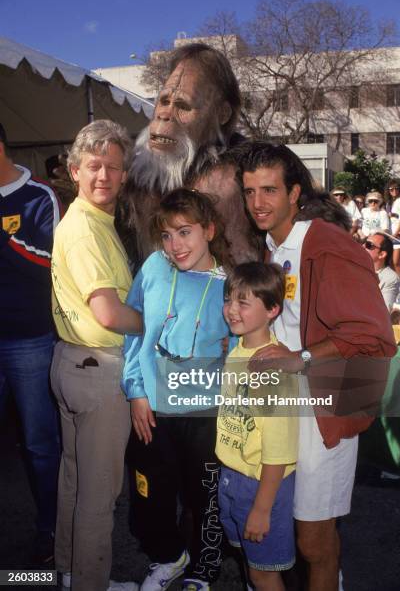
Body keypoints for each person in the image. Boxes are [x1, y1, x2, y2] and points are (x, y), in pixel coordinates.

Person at [232, 140, 396, 591]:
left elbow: (369, 331)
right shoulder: (273, 246)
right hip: (287, 408)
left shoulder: (323, 241)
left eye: (268, 190)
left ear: (294, 194)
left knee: (313, 540)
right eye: (249, 192)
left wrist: (298, 357)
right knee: (281, 526)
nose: (258, 203)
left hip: (324, 407)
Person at [122, 188, 233, 591]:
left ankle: (205, 569)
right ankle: (167, 557)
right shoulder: (153, 267)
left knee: (205, 495)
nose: (175, 245)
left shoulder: (228, 285)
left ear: (209, 230)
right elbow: (136, 331)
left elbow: (238, 351)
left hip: (205, 411)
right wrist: (136, 390)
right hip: (153, 406)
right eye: (167, 236)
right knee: (150, 492)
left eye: (184, 232)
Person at [50, 120, 142, 591]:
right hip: (98, 372)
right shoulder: (85, 229)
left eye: (113, 166)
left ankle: (66, 573)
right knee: (98, 495)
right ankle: (91, 584)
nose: (103, 175)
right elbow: (108, 313)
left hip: (72, 363)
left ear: (125, 175)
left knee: (75, 478)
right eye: (93, 166)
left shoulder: (92, 221)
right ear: (74, 170)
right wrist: (158, 323)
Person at [119, 43, 259, 267]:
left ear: (221, 114)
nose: (164, 115)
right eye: (164, 101)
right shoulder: (135, 173)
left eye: (182, 106)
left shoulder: (249, 170)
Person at [0, 122, 61, 564]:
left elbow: (48, 265)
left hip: (30, 342)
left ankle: (51, 531)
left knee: (40, 445)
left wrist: (3, 238)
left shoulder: (39, 195)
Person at [216, 262, 298, 591]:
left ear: (272, 309)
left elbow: (279, 450)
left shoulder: (272, 368)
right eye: (229, 300)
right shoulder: (238, 350)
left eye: (243, 302)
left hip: (262, 485)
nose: (231, 310)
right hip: (233, 476)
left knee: (265, 573)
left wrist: (262, 508)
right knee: (252, 566)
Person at [363, 233, 400, 311]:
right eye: (363, 242)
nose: (363, 246)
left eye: (369, 245)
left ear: (382, 254)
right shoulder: (354, 269)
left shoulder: (390, 279)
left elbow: (384, 311)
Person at [384, 179, 400, 278]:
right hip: (392, 234)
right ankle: (398, 282)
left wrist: (395, 234)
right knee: (391, 262)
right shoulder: (389, 203)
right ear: (388, 191)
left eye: (396, 189)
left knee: (396, 261)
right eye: (391, 189)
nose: (394, 191)